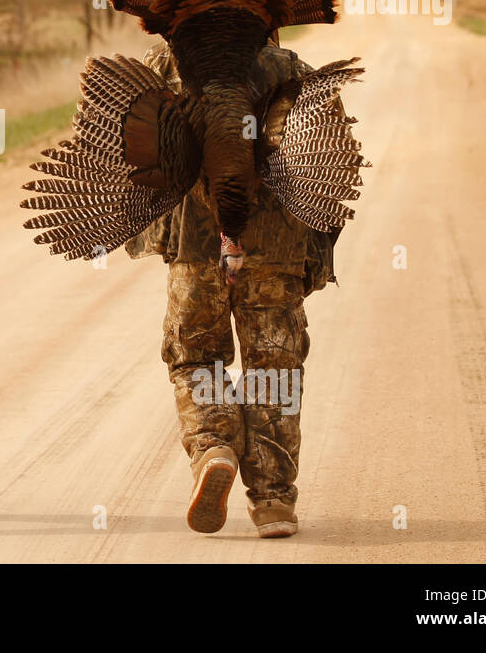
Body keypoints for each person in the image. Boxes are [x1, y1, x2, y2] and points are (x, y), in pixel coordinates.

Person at [126, 33, 340, 539]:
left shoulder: (166, 64)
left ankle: (214, 445)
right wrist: (313, 255)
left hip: (195, 246)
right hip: (276, 246)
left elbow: (131, 153)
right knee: (275, 368)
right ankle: (272, 501)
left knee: (195, 354)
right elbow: (324, 171)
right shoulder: (290, 69)